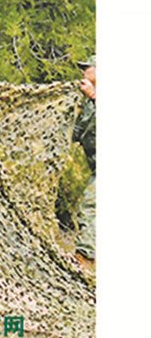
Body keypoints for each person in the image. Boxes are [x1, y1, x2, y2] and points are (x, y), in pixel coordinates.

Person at [73, 55, 96, 268]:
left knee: (90, 206)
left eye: (87, 68)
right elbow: (77, 131)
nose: (83, 72)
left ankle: (86, 260)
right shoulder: (89, 103)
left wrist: (93, 94)